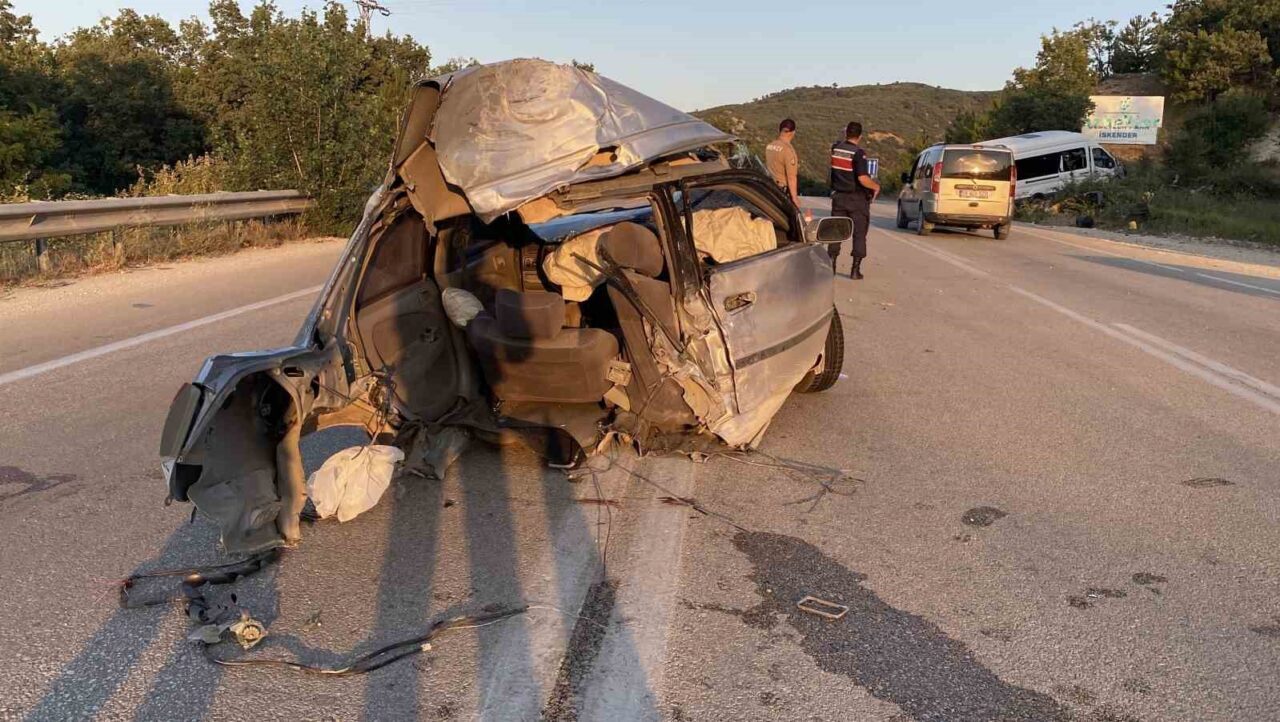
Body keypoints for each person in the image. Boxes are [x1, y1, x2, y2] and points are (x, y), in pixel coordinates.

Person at [829, 121, 880, 279]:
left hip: (839, 196)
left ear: (846, 133)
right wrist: (876, 187)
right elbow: (863, 178)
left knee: (836, 232)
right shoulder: (858, 153)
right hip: (856, 199)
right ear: (860, 136)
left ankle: (831, 266)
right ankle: (855, 270)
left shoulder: (835, 149)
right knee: (859, 234)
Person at [765, 119, 801, 208]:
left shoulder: (769, 146)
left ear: (779, 130)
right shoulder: (788, 151)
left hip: (769, 187)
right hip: (781, 191)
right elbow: (791, 177)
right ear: (793, 132)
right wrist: (794, 198)